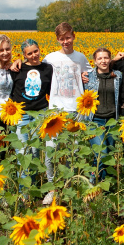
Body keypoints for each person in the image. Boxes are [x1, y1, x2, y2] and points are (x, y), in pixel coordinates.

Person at [42, 22, 92, 204]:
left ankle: (69, 188)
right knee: (51, 151)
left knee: (74, 151)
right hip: (55, 111)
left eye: (68, 37)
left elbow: (91, 76)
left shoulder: (80, 57)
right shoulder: (50, 58)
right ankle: (52, 188)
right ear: (57, 40)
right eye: (62, 39)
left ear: (74, 36)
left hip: (76, 110)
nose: (65, 41)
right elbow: (36, 70)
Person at [9, 39, 52, 188]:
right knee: (22, 153)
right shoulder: (17, 69)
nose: (34, 55)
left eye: (35, 51)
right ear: (24, 55)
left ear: (39, 49)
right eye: (29, 53)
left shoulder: (47, 69)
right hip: (21, 115)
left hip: (40, 114)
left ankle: (31, 187)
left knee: (34, 153)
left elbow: (51, 91)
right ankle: (23, 192)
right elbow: (10, 90)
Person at [84, 48, 122, 183]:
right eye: (99, 58)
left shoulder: (118, 76)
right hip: (95, 120)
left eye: (106, 58)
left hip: (112, 120)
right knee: (101, 152)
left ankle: (104, 186)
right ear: (94, 61)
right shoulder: (87, 77)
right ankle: (93, 181)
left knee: (109, 154)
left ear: (110, 59)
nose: (103, 61)